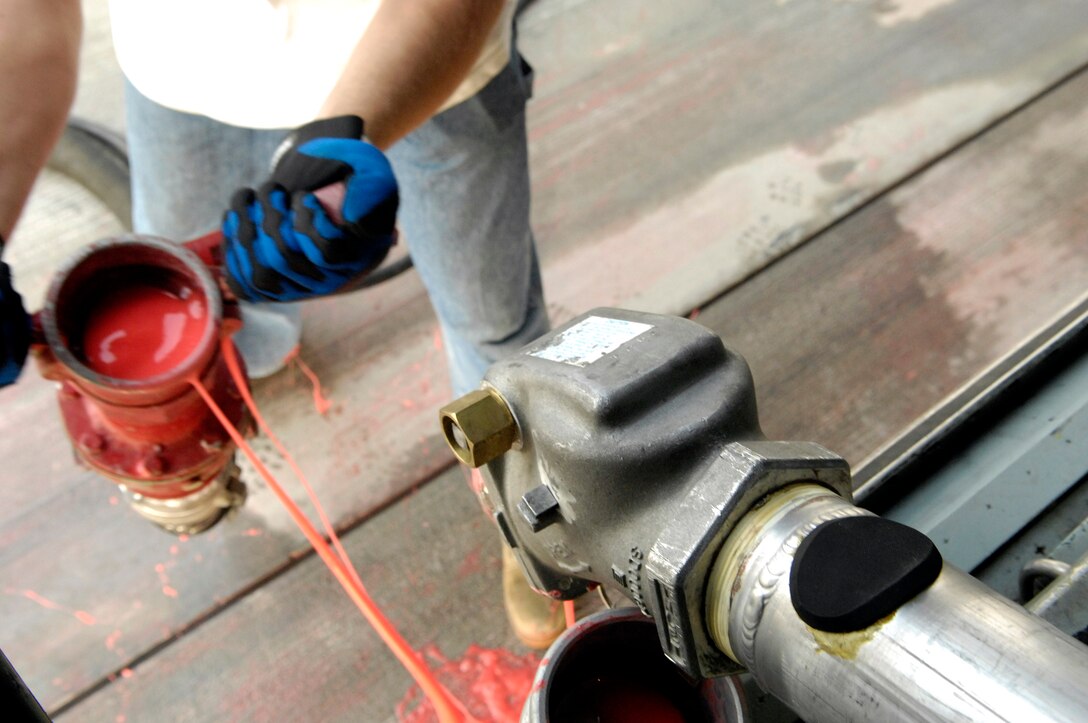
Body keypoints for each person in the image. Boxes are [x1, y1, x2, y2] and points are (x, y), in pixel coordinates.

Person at [0, 0, 562, 647]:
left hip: (427, 57)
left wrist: (345, 137)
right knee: (214, 326)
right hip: (181, 67)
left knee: (491, 326)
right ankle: (250, 365)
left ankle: (533, 522)